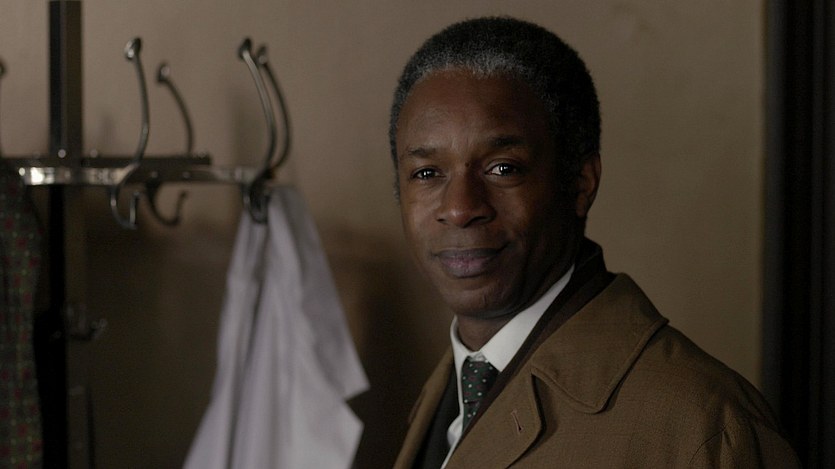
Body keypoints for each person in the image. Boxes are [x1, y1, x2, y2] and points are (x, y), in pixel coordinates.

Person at [387, 16, 799, 468]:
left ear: (581, 183)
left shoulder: (705, 427)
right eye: (427, 173)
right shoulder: (450, 392)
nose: (460, 208)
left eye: (503, 168)